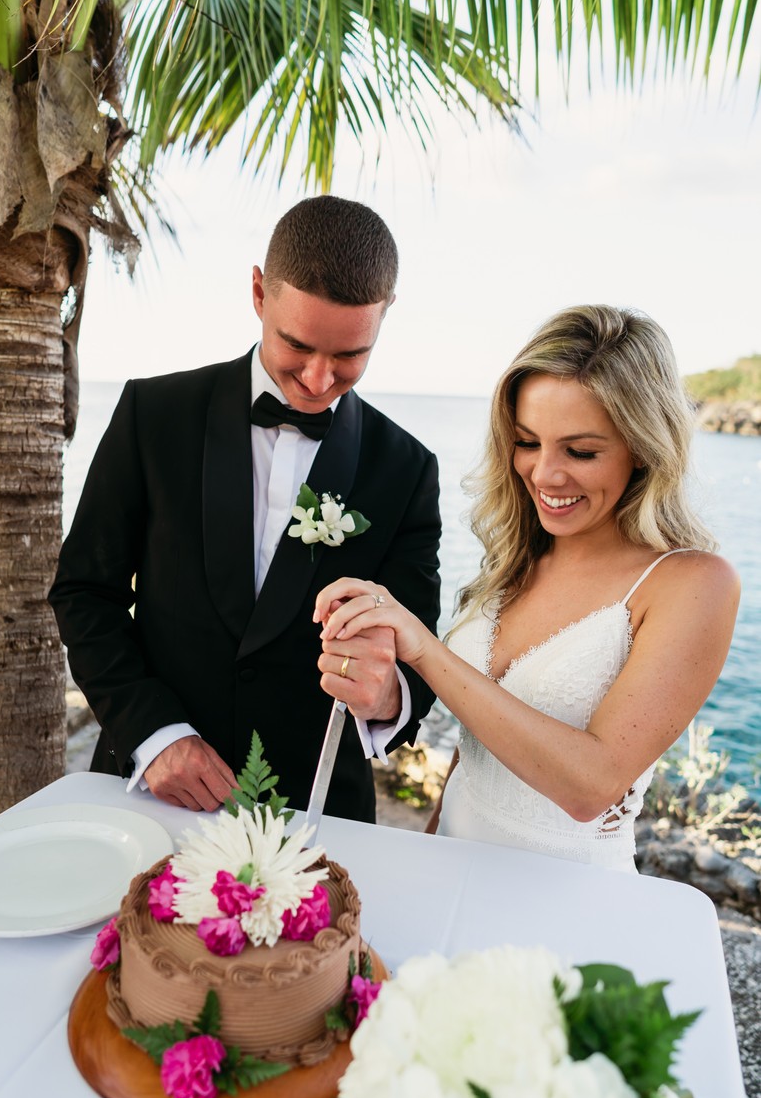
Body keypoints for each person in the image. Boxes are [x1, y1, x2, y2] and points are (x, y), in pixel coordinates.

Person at [50, 196, 441, 822]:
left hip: (319, 813)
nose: (316, 380)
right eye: (298, 345)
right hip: (152, 793)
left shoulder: (408, 469)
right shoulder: (153, 416)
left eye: (348, 358)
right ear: (259, 294)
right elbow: (84, 592)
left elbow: (418, 646)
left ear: (384, 315)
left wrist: (389, 695)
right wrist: (154, 735)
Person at [315, 305, 740, 870]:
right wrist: (430, 844)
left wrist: (422, 648)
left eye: (581, 451)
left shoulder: (692, 584)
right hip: (449, 863)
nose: (544, 474)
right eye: (527, 441)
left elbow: (592, 787)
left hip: (566, 899)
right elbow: (476, 755)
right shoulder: (519, 556)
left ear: (642, 447)